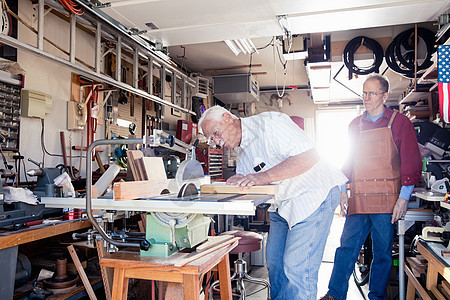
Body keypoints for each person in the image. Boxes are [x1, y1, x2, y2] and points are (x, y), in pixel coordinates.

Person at [198, 106, 348, 299]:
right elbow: (252, 186)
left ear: (228, 118)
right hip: (283, 205)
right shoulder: (243, 153)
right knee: (276, 264)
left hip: (313, 195)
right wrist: (233, 188)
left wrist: (263, 177)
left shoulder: (270, 124)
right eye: (212, 140)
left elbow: (309, 156)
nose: (217, 143)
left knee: (297, 269)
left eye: (216, 134)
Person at [320, 74, 422, 300]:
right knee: (346, 248)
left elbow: (411, 161)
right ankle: (335, 294)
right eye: (364, 93)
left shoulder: (400, 123)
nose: (366, 97)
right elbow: (348, 161)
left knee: (383, 253)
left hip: (387, 200)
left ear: (385, 96)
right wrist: (343, 191)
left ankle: (376, 297)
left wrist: (403, 198)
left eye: (372, 93)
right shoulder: (355, 125)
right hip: (360, 197)